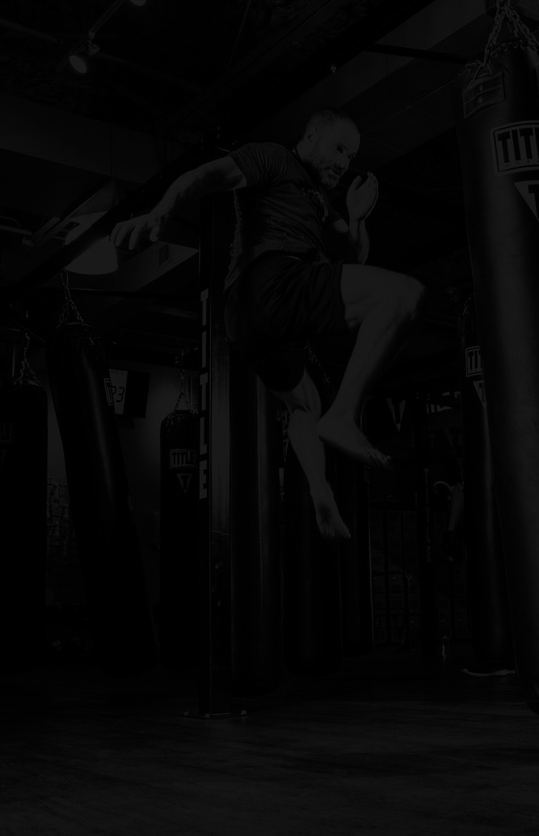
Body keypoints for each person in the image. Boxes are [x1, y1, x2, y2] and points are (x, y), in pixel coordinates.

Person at [113, 109, 425, 541]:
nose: (343, 162)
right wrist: (160, 211)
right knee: (404, 295)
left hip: (252, 324)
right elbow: (207, 175)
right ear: (311, 135)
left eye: (350, 156)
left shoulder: (320, 199)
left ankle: (320, 491)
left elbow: (354, 256)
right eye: (338, 148)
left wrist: (357, 219)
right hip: (272, 281)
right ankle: (343, 415)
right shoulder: (273, 158)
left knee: (304, 406)